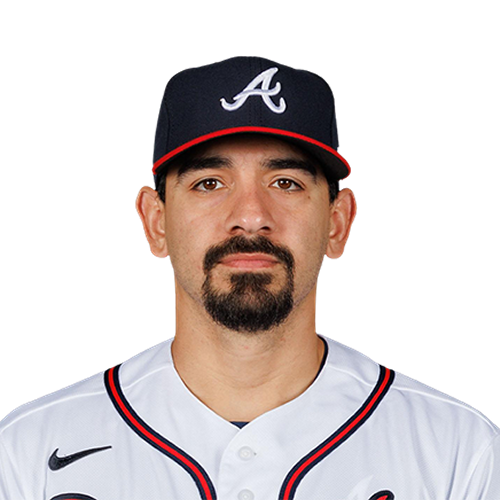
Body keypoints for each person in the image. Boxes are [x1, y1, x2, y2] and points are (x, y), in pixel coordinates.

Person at [1, 56, 498, 500]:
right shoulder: (26, 449)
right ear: (156, 223)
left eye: (286, 182)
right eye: (209, 183)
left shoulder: (459, 451)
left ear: (337, 223)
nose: (251, 217)